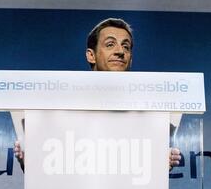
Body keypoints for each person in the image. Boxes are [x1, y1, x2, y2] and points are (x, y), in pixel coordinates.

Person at [14, 18, 181, 170]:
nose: (120, 51)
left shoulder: (150, 112)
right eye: (110, 44)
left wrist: (161, 163)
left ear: (130, 58)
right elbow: (48, 164)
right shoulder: (61, 105)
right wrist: (30, 158)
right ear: (91, 55)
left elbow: (145, 169)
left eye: (126, 46)